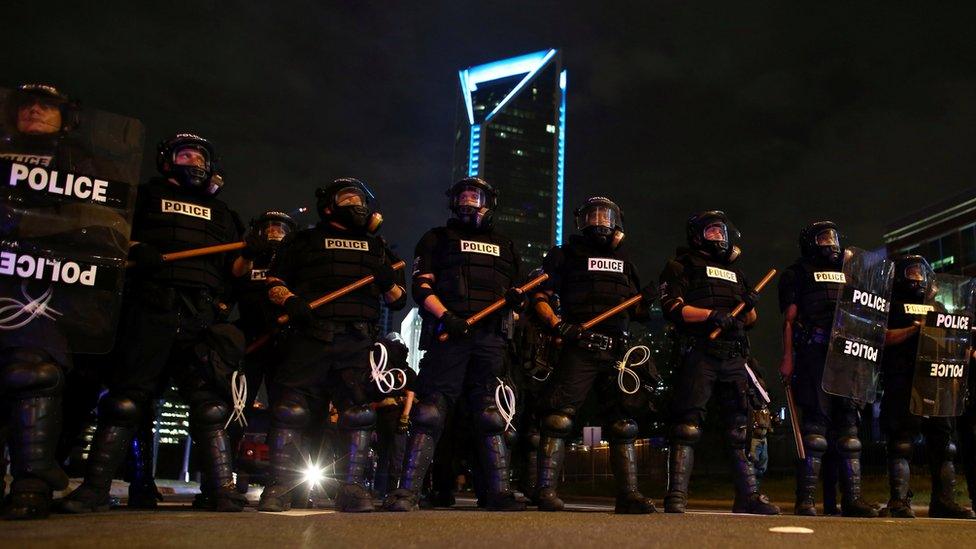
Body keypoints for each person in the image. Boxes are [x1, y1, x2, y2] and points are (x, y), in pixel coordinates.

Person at [59, 133, 249, 513]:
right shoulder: (144, 196)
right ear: (168, 161)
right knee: (128, 401)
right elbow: (111, 232)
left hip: (199, 316)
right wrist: (134, 248)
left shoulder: (225, 214)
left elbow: (234, 270)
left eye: (199, 155)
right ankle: (97, 488)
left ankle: (220, 489)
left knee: (210, 406)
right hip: (150, 306)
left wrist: (252, 256)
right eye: (185, 154)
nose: (193, 160)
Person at [257, 178, 406, 513]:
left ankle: (352, 488)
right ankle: (279, 487)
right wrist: (291, 300)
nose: (357, 204)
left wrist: (386, 281)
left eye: (361, 199)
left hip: (355, 341)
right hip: (309, 337)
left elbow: (398, 300)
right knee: (290, 410)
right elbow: (273, 283)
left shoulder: (378, 248)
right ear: (329, 205)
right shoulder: (303, 241)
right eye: (348, 197)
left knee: (359, 414)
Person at [384, 177, 525, 512]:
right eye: (462, 196)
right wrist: (447, 317)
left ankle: (498, 492)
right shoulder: (436, 239)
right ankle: (407, 492)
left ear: (490, 201)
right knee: (430, 412)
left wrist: (516, 305)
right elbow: (421, 288)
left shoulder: (506, 245)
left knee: (490, 415)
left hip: (490, 340)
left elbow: (520, 301)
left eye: (474, 196)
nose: (468, 201)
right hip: (450, 336)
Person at [531, 197, 658, 513]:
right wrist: (558, 325)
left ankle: (628, 495)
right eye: (593, 214)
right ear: (581, 221)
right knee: (559, 418)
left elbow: (639, 311)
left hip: (617, 350)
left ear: (617, 221)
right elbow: (540, 296)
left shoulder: (626, 260)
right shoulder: (566, 255)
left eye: (606, 214)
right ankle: (545, 491)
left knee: (623, 423)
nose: (599, 220)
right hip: (580, 345)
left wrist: (650, 298)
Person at [659, 210, 779, 515]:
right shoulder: (681, 265)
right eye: (712, 231)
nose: (719, 236)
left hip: (735, 356)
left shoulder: (737, 274)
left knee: (740, 429)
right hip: (700, 351)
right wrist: (711, 316)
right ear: (698, 235)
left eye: (722, 232)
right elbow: (674, 308)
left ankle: (748, 496)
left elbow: (750, 320)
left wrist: (749, 306)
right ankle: (676, 496)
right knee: (687, 426)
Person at [778, 221, 877, 517]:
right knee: (815, 431)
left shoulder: (852, 272)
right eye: (822, 238)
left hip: (848, 355)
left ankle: (853, 500)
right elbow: (789, 320)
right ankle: (806, 499)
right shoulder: (797, 274)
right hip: (814, 353)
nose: (828, 242)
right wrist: (788, 357)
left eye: (832, 237)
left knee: (849, 431)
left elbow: (866, 311)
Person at [881, 255, 974, 519]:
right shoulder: (892, 306)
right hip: (902, 380)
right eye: (911, 272)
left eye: (921, 272)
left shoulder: (938, 308)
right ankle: (899, 501)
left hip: (935, 381)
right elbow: (882, 338)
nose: (917, 277)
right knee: (901, 443)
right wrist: (914, 330)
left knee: (944, 445)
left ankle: (944, 501)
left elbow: (952, 344)